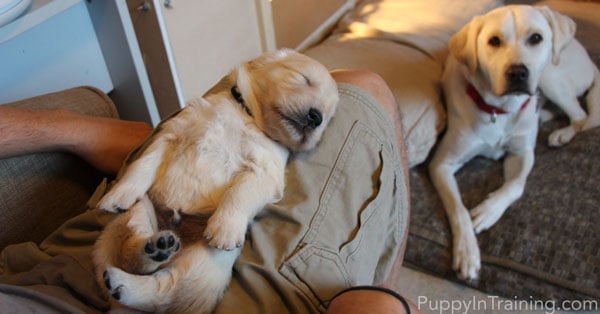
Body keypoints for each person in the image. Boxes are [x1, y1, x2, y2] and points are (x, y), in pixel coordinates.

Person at [0, 70, 419, 314]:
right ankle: (384, 277)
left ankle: (144, 260)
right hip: (224, 294)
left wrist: (71, 127)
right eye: (301, 77)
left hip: (50, 271)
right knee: (365, 86)